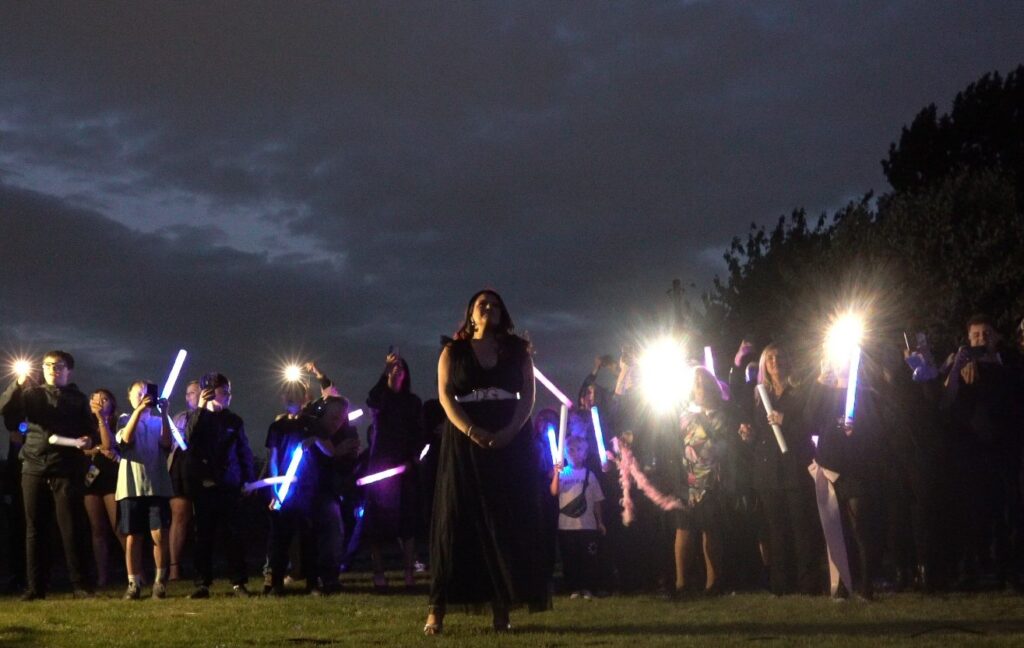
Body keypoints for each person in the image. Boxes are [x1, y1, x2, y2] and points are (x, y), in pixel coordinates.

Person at [426, 289, 549, 635]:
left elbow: (529, 394)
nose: (489, 308)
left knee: (504, 517)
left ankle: (501, 606)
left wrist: (512, 429)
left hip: (509, 435)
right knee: (458, 515)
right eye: (483, 304)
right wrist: (470, 429)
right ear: (470, 313)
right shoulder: (453, 351)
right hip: (465, 438)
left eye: (495, 305)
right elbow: (445, 395)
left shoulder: (517, 350)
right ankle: (437, 609)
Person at [0, 350, 94, 600]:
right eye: (48, 365)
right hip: (33, 466)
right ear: (42, 369)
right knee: (34, 528)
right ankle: (36, 587)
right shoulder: (30, 394)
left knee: (70, 526)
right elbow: (6, 412)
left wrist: (87, 439)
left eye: (59, 365)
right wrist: (18, 384)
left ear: (68, 370)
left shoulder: (77, 398)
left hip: (65, 468)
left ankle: (80, 585)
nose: (53, 369)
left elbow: (89, 429)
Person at [740, 343, 822, 595]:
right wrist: (749, 435)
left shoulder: (800, 392)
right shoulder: (760, 396)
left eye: (779, 356)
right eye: (770, 358)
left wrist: (785, 421)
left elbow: (813, 425)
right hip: (768, 473)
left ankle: (807, 582)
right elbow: (761, 435)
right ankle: (781, 583)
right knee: (776, 530)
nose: (775, 361)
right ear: (764, 364)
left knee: (801, 527)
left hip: (795, 468)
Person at [184, 372, 256, 598]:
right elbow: (189, 440)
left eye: (229, 391)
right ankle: (202, 583)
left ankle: (238, 582)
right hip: (205, 485)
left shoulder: (234, 421)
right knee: (203, 535)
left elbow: (244, 451)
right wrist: (202, 408)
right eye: (224, 391)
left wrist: (248, 480)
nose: (228, 396)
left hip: (230, 484)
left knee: (234, 535)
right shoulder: (198, 417)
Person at [264, 381, 337, 596]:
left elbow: (330, 452)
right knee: (280, 538)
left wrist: (315, 440)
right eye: (287, 394)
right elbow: (274, 458)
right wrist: (276, 489)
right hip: (285, 491)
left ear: (304, 398)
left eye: (295, 394)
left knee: (309, 537)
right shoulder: (277, 427)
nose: (290, 398)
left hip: (308, 489)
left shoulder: (313, 424)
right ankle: (275, 582)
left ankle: (313, 583)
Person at [106, 381, 174, 599]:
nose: (144, 397)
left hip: (157, 485)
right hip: (131, 487)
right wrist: (138, 411)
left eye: (147, 394)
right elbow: (126, 439)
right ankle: (133, 583)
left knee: (160, 534)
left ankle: (159, 583)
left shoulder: (158, 421)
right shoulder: (125, 419)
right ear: (130, 397)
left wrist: (164, 413)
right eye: (138, 394)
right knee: (133, 536)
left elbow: (166, 444)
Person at [363, 351, 422, 589]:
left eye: (401, 367)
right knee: (375, 523)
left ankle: (409, 572)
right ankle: (379, 572)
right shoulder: (381, 399)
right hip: (379, 464)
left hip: (405, 467)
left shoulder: (413, 402)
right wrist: (384, 373)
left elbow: (419, 432)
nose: (397, 370)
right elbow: (373, 399)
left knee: (407, 522)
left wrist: (412, 459)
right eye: (393, 367)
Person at [673, 367, 731, 596]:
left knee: (710, 530)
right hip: (686, 478)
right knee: (683, 528)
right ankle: (681, 583)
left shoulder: (722, 414)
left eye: (704, 383)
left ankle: (712, 582)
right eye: (696, 383)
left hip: (711, 479)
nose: (700, 387)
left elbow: (725, 445)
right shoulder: (683, 414)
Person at [551, 436, 605, 600]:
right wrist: (556, 474)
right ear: (565, 454)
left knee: (587, 559)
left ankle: (587, 587)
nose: (574, 454)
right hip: (567, 526)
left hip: (587, 525)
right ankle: (574, 588)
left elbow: (597, 501)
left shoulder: (590, 475)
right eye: (571, 450)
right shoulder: (563, 474)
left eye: (578, 450)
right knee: (571, 559)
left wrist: (600, 522)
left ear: (585, 453)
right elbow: (554, 491)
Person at [84, 389, 125, 588]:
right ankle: (102, 576)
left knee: (118, 526)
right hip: (91, 479)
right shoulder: (83, 422)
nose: (99, 401)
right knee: (97, 529)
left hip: (111, 477)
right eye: (95, 397)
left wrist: (101, 419)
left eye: (105, 398)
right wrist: (93, 449)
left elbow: (108, 444)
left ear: (112, 403)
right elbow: (79, 448)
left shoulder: (119, 422)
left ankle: (134, 571)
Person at [168, 379, 199, 581]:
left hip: (205, 468)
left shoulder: (215, 416)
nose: (188, 396)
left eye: (193, 393)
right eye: (187, 393)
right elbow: (176, 442)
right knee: (179, 517)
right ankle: (174, 567)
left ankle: (202, 565)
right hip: (181, 468)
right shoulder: (181, 417)